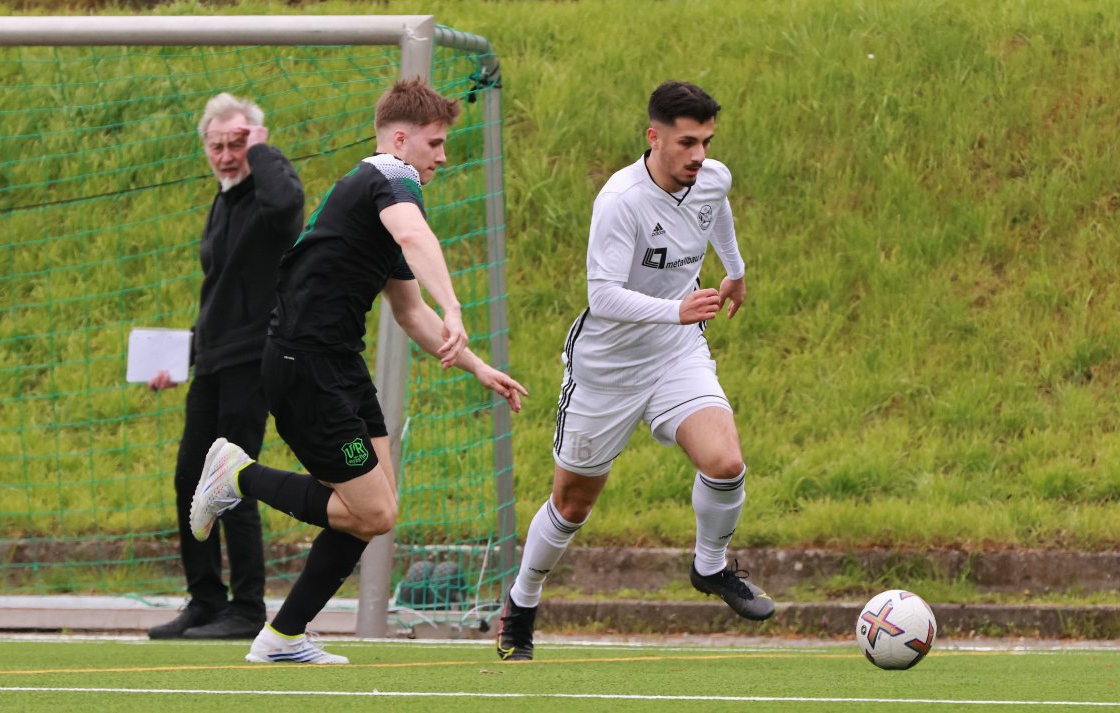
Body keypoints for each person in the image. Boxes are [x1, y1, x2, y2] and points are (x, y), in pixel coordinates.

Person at [189, 78, 528, 665]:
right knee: (374, 512)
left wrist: (476, 366)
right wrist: (456, 306)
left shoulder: (377, 199)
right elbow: (415, 236)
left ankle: (283, 636)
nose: (442, 157)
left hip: (338, 366)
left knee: (371, 513)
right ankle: (236, 475)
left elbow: (408, 311)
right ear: (401, 139)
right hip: (304, 367)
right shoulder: (388, 177)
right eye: (436, 143)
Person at [495, 81, 775, 662]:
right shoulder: (620, 200)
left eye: (706, 141)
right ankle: (522, 603)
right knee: (572, 506)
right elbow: (602, 296)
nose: (699, 155)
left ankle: (710, 567)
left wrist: (736, 271)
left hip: (676, 353)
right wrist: (676, 308)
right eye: (686, 142)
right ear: (654, 138)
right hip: (607, 367)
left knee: (725, 462)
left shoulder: (711, 177)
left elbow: (715, 210)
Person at [147, 93, 304, 641]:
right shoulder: (224, 202)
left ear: (256, 141)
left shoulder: (268, 198)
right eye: (217, 145)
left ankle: (247, 607)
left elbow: (288, 204)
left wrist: (263, 152)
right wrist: (179, 359)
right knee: (190, 477)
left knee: (230, 477)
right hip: (213, 360)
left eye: (237, 142)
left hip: (250, 359)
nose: (226, 153)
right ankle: (206, 600)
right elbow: (216, 294)